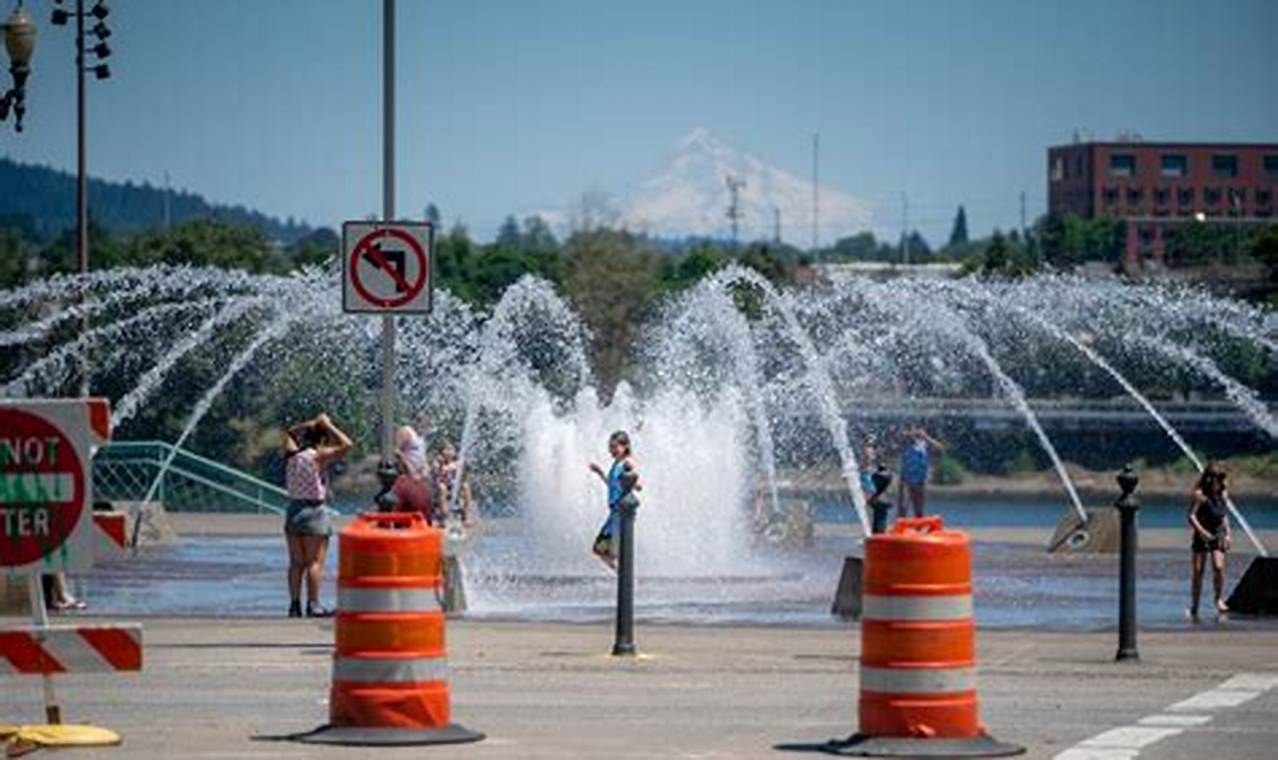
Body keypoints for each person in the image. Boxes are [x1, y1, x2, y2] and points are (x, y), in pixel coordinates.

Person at [282, 413, 351, 618]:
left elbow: (289, 432)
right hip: (314, 511)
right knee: (314, 562)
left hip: (293, 510)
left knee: (296, 563)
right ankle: (313, 604)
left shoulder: (291, 455)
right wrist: (328, 425)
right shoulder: (318, 457)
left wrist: (308, 424)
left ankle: (294, 605)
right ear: (321, 440)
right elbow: (347, 444)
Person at [588, 430, 641, 570]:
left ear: (625, 447)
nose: (612, 450)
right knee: (600, 549)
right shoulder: (615, 464)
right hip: (614, 511)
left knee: (614, 548)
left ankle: (625, 576)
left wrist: (634, 483)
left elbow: (635, 480)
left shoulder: (626, 462)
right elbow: (612, 484)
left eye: (615, 446)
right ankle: (621, 573)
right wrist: (599, 472)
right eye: (610, 447)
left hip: (620, 511)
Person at [1187, 462, 1232, 621]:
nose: (1220, 482)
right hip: (1202, 534)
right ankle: (1195, 605)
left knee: (1218, 567)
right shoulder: (1199, 494)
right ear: (1209, 479)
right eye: (1218, 479)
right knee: (1198, 571)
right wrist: (1202, 532)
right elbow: (1191, 516)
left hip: (1218, 533)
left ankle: (1218, 599)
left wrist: (1228, 534)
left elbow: (1224, 515)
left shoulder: (1223, 493)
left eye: (1222, 479)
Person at [896, 426, 945, 519]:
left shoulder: (924, 444)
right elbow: (898, 437)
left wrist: (926, 437)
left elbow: (940, 449)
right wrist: (909, 434)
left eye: (918, 431)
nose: (916, 433)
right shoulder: (906, 443)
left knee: (919, 510)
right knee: (903, 508)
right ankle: (900, 526)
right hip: (906, 480)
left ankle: (919, 529)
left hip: (920, 481)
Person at [433, 440, 477, 527]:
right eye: (446, 450)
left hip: (455, 488)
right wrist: (445, 467)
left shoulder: (457, 462)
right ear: (441, 452)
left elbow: (465, 474)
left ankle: (466, 514)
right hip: (442, 488)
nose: (449, 452)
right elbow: (439, 474)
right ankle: (444, 517)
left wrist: (464, 467)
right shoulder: (438, 463)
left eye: (451, 450)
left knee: (465, 486)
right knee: (442, 488)